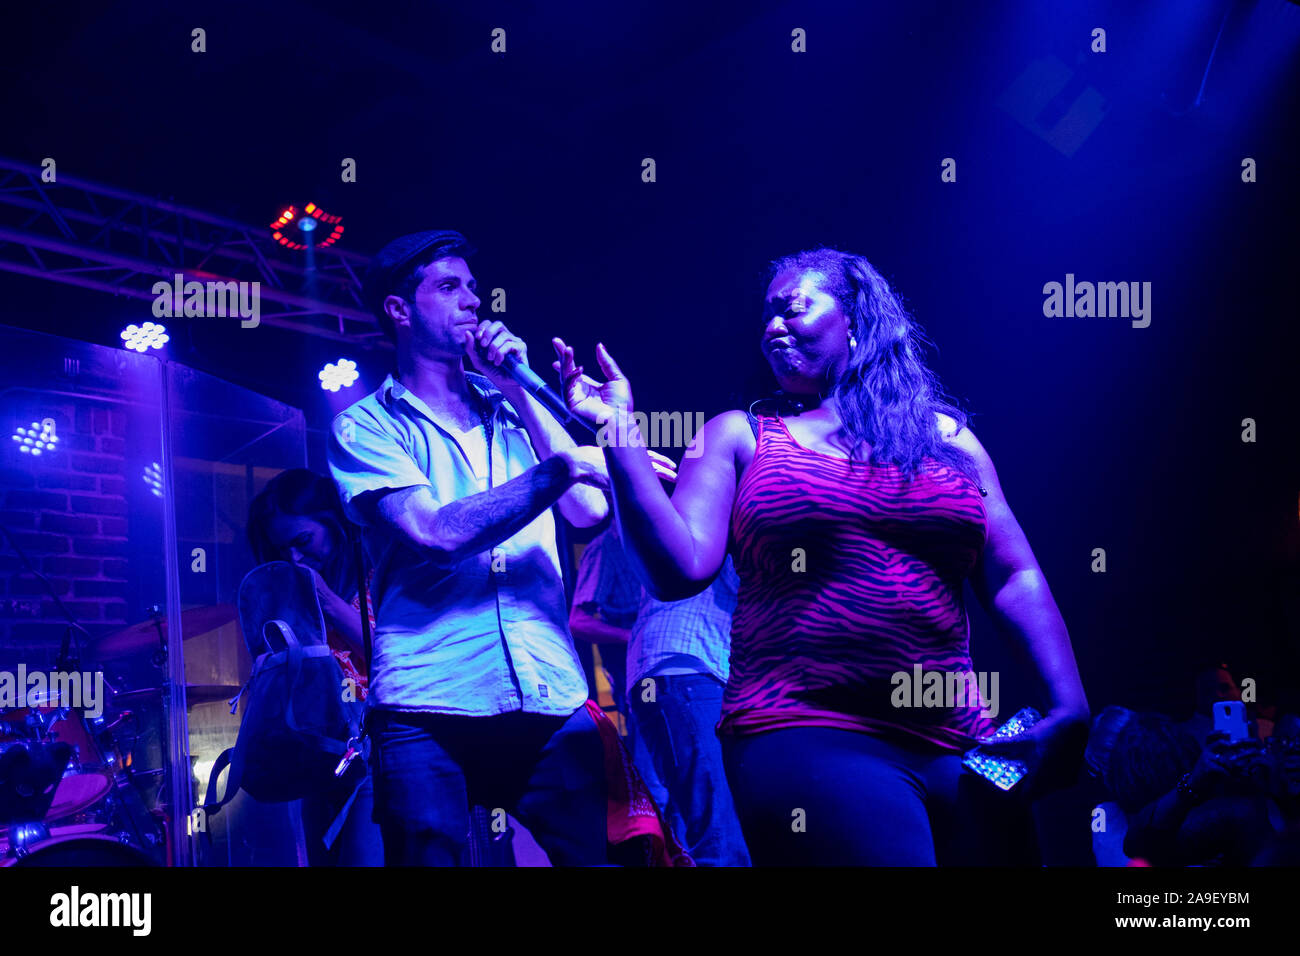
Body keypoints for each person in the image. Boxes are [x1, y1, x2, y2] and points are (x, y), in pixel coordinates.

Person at [553, 246, 1090, 865]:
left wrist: (1068, 703)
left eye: (793, 308)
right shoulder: (741, 437)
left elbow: (1013, 573)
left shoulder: (949, 440)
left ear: (856, 318)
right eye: (766, 317)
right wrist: (617, 430)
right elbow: (676, 570)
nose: (772, 327)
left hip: (958, 737)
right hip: (807, 728)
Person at [327, 229, 675, 866]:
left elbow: (588, 508)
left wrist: (519, 386)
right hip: (427, 698)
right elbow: (436, 534)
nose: (473, 302)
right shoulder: (364, 423)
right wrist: (565, 467)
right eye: (449, 287)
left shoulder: (510, 404)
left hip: (549, 686)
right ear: (400, 311)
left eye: (474, 289)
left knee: (610, 859)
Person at [246, 467, 384, 866]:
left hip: (376, 756)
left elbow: (392, 657)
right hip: (319, 761)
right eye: (281, 551)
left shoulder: (376, 572)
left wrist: (325, 600)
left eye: (303, 540)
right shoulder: (290, 597)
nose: (294, 557)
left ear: (332, 519)